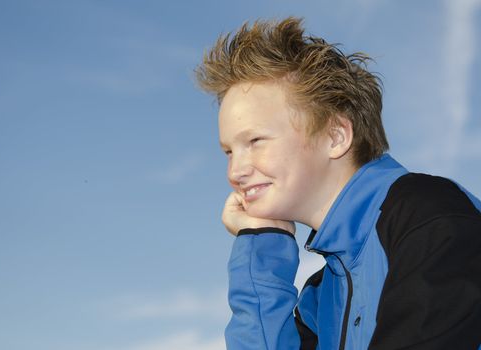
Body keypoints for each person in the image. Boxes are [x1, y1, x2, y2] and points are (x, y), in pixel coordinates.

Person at [194, 17, 481, 350]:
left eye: (255, 140)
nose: (235, 171)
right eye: (229, 151)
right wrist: (261, 242)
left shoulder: (431, 218)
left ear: (335, 136)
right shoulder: (320, 295)